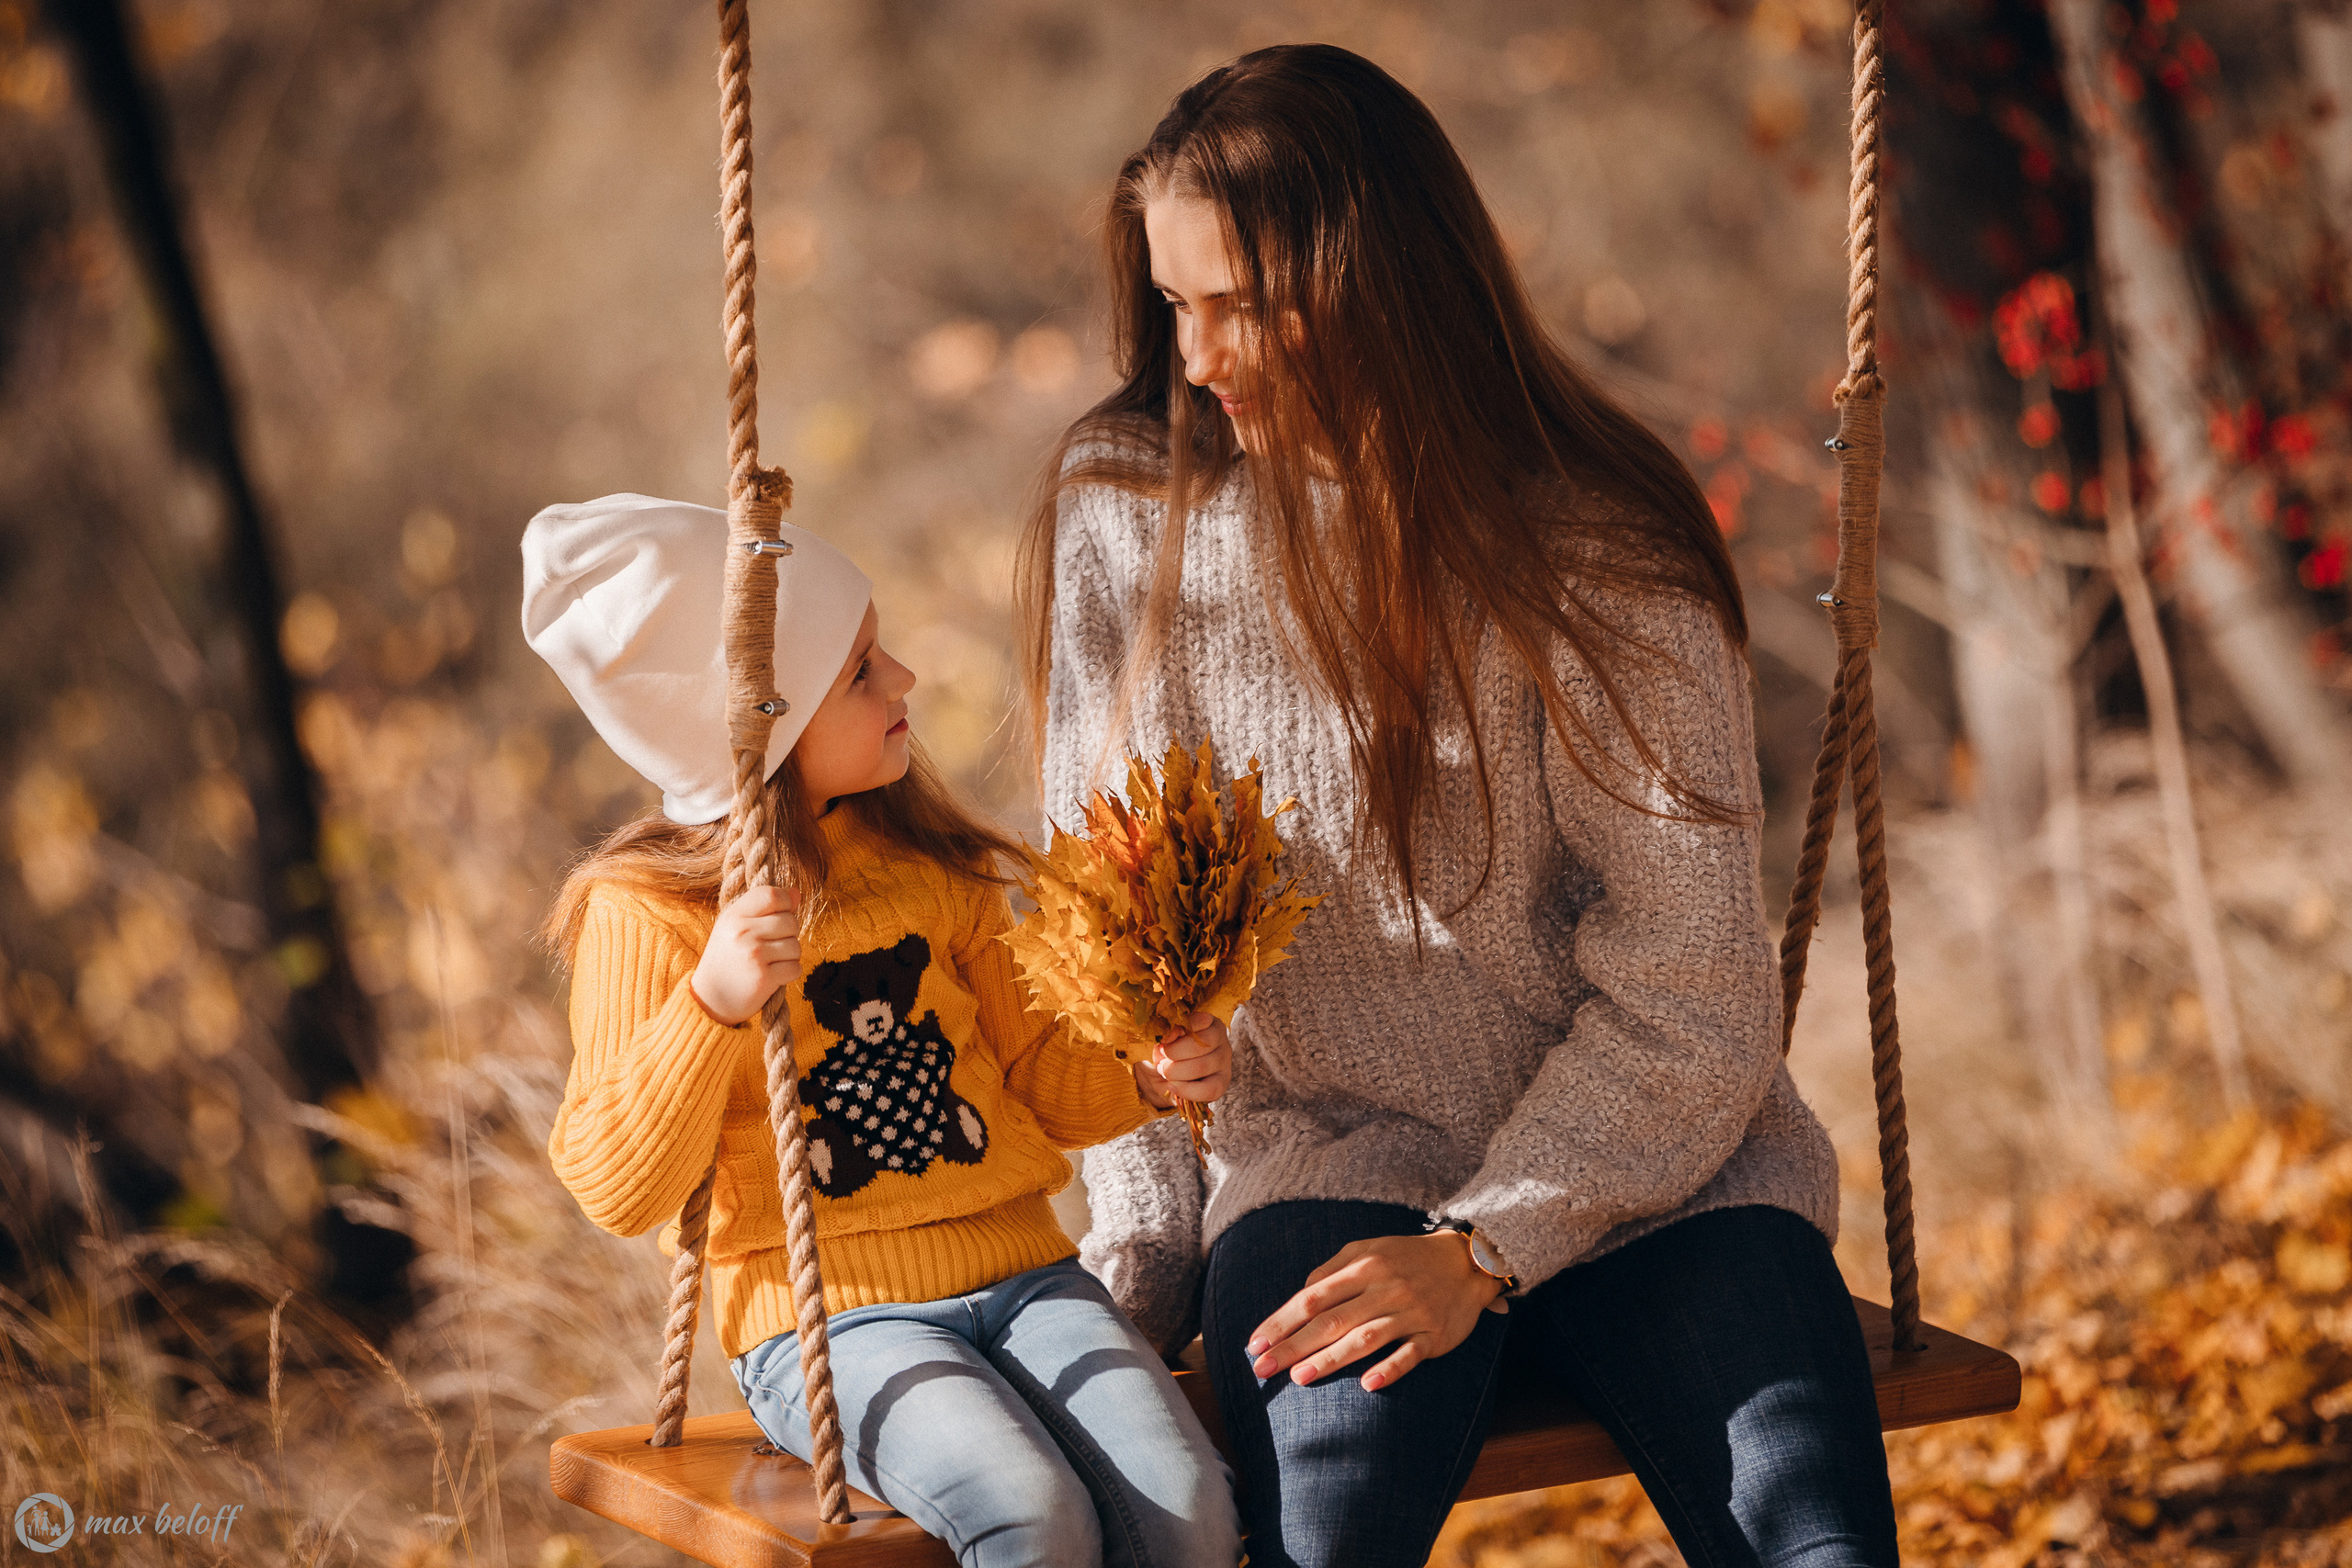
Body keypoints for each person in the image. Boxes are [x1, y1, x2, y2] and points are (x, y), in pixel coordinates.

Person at [1021, 45, 1900, 1568]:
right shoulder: (1130, 509)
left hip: (1661, 1175)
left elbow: (1693, 988)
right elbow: (1123, 925)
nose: (1199, 355)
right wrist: (1142, 1269)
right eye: (1174, 302)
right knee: (1322, 1544)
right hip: (1331, 1166)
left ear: (1375, 283)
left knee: (1817, 1545)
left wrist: (1486, 1246)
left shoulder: (1594, 544)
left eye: (1240, 304)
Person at [524, 493, 1243, 1568]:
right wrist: (712, 1003)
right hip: (832, 1329)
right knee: (1027, 1514)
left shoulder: (926, 866)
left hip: (1028, 1280)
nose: (902, 677)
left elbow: (1041, 1083)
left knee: (1188, 1507)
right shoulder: (647, 912)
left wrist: (1141, 1074)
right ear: (760, 724)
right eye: (859, 670)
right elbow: (614, 1184)